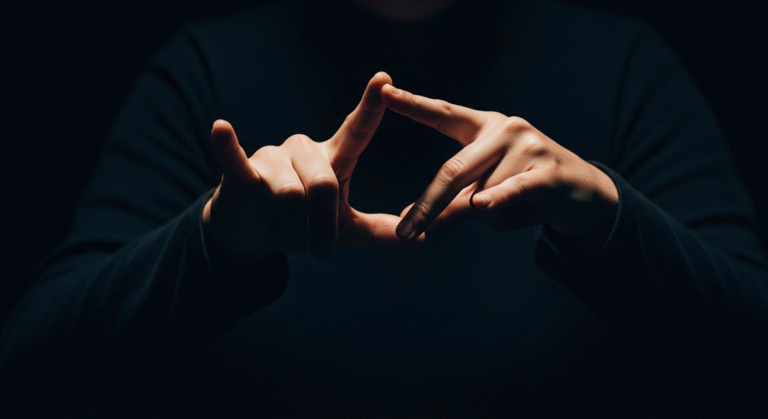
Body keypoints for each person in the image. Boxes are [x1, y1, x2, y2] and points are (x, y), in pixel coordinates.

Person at [2, 0, 767, 417]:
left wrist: (607, 212)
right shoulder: (204, 69)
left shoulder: (624, 66)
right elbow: (30, 364)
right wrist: (209, 240)